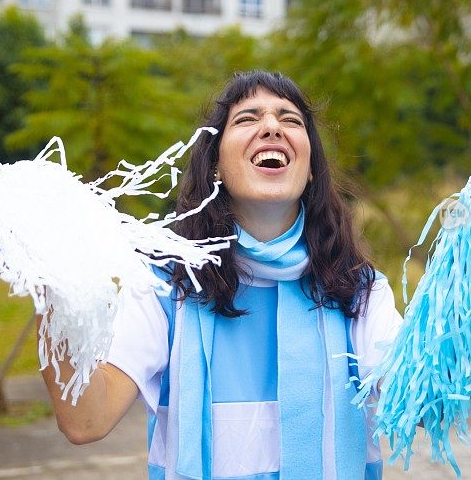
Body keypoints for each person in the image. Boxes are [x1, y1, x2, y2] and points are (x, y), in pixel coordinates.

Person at [40, 70, 403, 480]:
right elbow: (86, 420)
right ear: (215, 165)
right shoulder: (165, 283)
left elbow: (420, 404)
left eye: (290, 120)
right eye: (248, 119)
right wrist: (51, 286)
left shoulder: (359, 289)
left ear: (311, 168)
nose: (271, 127)